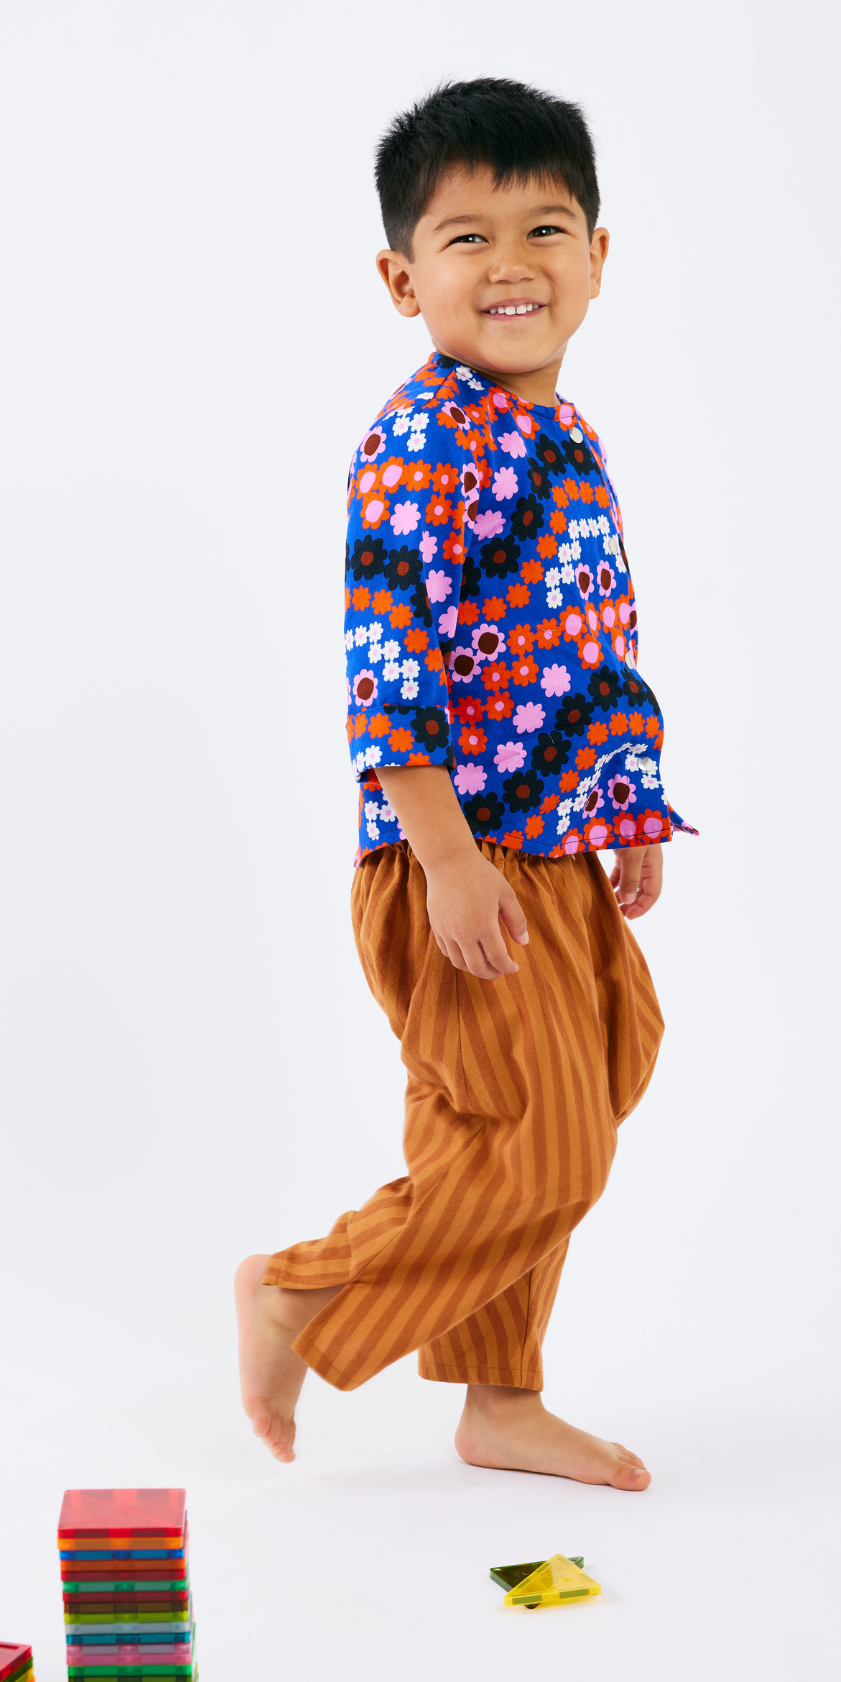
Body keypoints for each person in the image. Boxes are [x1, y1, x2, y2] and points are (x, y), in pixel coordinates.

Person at [235, 78, 693, 1491]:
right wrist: (443, 857)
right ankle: (306, 1292)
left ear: (598, 261)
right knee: (543, 1139)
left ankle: (500, 1399)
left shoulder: (568, 443)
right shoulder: (426, 441)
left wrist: (629, 803)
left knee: (586, 1080)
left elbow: (593, 644)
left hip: (557, 850)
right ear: (401, 277)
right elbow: (395, 671)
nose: (510, 265)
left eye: (545, 228)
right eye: (465, 238)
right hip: (460, 858)